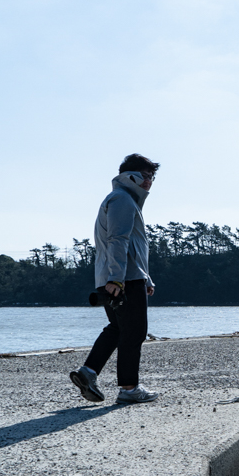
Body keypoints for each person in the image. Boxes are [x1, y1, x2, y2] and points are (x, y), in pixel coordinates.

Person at [69, 154, 160, 404]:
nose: (149, 182)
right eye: (145, 176)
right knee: (134, 332)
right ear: (129, 176)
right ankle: (130, 389)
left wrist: (146, 277)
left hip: (121, 276)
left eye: (152, 177)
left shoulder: (123, 199)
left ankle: (88, 372)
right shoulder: (122, 200)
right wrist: (118, 279)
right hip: (122, 279)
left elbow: (133, 246)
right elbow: (118, 241)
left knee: (118, 329)